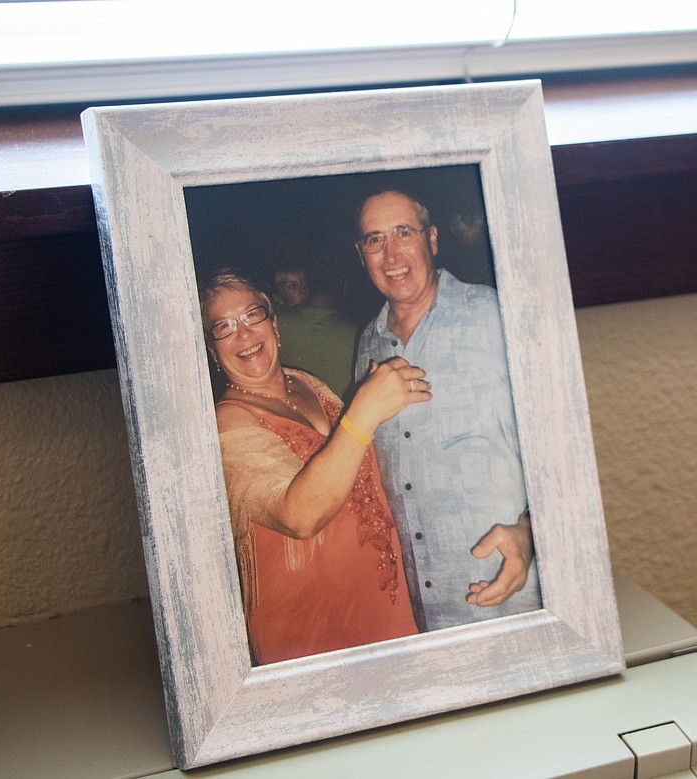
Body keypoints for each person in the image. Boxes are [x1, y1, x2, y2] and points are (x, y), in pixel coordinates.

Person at [199, 268, 431, 665]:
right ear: (211, 350)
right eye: (224, 327)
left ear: (274, 324)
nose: (244, 334)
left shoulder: (306, 383)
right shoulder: (226, 421)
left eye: (253, 316)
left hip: (380, 600)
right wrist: (365, 409)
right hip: (312, 629)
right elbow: (298, 515)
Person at [352, 189, 541, 632]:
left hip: (514, 604)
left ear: (432, 240)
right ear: (361, 254)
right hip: (424, 617)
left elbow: (563, 445)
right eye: (374, 239)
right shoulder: (367, 346)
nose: (391, 253)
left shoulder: (495, 314)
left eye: (404, 233)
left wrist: (533, 533)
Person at [271, 264, 359, 398]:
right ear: (277, 295)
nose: (302, 290)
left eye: (304, 285)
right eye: (293, 286)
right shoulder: (274, 321)